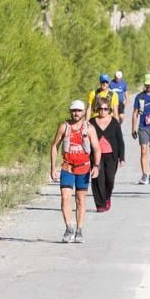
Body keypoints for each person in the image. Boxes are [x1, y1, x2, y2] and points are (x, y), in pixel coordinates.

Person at [50, 100, 101, 242]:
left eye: (79, 110)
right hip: (67, 167)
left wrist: (96, 166)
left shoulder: (89, 128)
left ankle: (79, 230)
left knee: (80, 200)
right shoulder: (64, 127)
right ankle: (69, 228)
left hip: (84, 168)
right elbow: (54, 146)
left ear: (84, 112)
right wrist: (53, 167)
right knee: (65, 197)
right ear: (70, 112)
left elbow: (97, 148)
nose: (76, 113)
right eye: (73, 110)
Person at [89, 97, 125, 212]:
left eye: (105, 109)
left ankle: (107, 197)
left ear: (108, 109)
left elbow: (120, 140)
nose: (102, 111)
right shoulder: (91, 122)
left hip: (111, 156)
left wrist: (122, 157)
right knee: (98, 180)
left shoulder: (114, 121)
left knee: (109, 179)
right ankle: (100, 204)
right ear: (96, 109)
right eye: (100, 108)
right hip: (96, 156)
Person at [131, 73, 150, 185]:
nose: (148, 87)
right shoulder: (139, 97)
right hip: (143, 127)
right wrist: (133, 128)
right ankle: (144, 175)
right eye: (147, 84)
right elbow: (135, 113)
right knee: (143, 150)